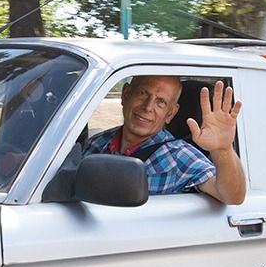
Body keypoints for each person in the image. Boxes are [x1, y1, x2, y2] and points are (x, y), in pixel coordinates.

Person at [83, 75, 246, 205]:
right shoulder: (97, 143)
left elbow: (232, 196)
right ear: (125, 95)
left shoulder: (179, 156)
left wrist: (223, 150)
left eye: (160, 102)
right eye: (143, 94)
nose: (147, 107)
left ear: (170, 113)